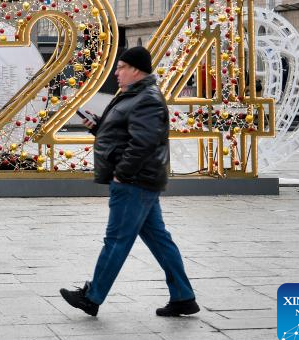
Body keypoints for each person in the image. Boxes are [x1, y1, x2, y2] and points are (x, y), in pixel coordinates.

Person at [60, 46, 198, 318]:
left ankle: (91, 297)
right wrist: (98, 127)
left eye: (121, 67)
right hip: (140, 180)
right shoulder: (133, 95)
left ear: (136, 70)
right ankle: (183, 297)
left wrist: (122, 173)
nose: (117, 72)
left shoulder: (147, 99)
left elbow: (143, 142)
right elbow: (126, 133)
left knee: (116, 240)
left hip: (134, 181)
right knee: (159, 240)